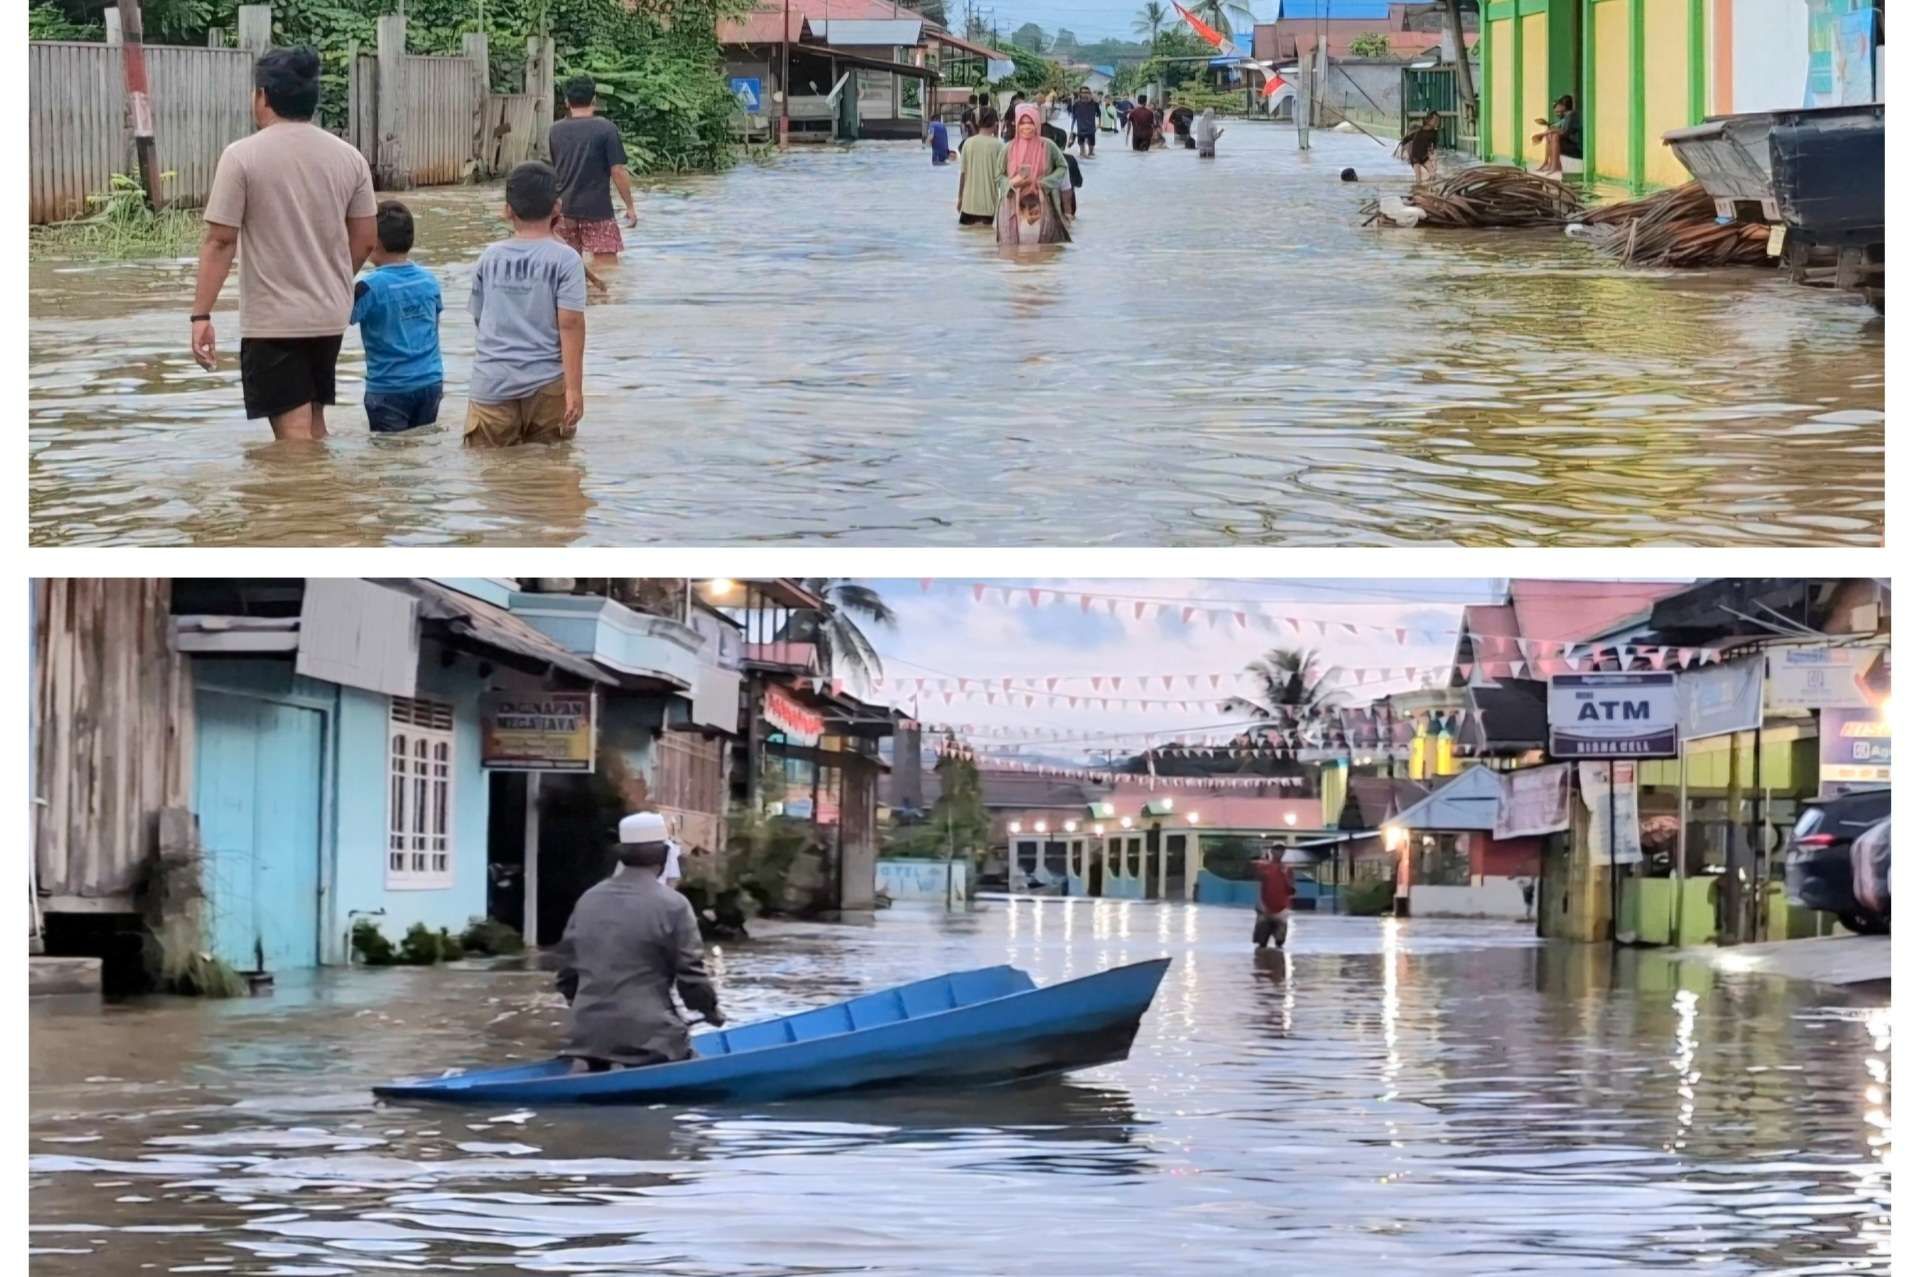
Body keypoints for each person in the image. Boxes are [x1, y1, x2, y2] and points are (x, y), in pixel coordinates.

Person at [192, 47, 377, 442]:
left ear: (263, 96)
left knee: (292, 438)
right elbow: (364, 240)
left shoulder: (241, 156)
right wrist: (330, 279)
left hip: (274, 320)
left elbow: (221, 241)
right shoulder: (350, 157)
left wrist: (200, 316)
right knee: (314, 421)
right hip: (329, 314)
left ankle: (302, 503)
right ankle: (330, 501)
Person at [550, 812, 723, 1072]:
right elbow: (691, 976)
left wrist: (593, 1012)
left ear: (621, 854)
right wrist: (710, 1011)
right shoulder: (674, 905)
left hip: (585, 1036)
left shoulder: (588, 900)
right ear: (665, 856)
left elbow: (566, 975)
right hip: (650, 1037)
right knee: (695, 1067)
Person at [465, 162, 588, 447]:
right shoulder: (566, 259)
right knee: (551, 471)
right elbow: (571, 325)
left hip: (492, 381)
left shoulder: (489, 256)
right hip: (547, 384)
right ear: (557, 207)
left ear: (508, 210)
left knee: (491, 475)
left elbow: (480, 319)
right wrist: (574, 389)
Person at [350, 201, 443, 433]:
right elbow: (434, 326)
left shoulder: (368, 287)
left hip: (388, 388)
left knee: (388, 459)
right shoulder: (429, 280)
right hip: (430, 382)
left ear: (375, 241)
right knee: (421, 448)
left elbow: (338, 317)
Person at [548, 75, 638, 269]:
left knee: (565, 268)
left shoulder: (555, 130)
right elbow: (618, 171)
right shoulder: (606, 129)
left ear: (566, 101)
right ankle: (599, 299)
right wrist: (630, 206)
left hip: (563, 210)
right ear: (594, 100)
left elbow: (555, 170)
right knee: (607, 270)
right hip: (598, 211)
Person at [995, 104, 1071, 245]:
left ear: (1036, 123)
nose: (1026, 127)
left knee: (1043, 251)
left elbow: (1062, 166)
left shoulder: (1047, 146)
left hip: (1042, 204)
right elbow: (998, 175)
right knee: (1010, 253)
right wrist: (1012, 184)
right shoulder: (1008, 148)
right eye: (1022, 123)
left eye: (1030, 122)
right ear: (1016, 124)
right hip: (1012, 206)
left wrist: (1043, 183)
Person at [956, 107, 1002, 226]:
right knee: (987, 240)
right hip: (989, 208)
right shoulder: (999, 145)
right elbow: (1003, 178)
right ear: (995, 123)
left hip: (968, 207)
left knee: (966, 240)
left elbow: (963, 174)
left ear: (977, 122)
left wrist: (960, 198)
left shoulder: (968, 143)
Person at [1251, 847, 1295, 949]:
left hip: (1281, 908)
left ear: (1284, 852)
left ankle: (1276, 960)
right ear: (1272, 852)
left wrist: (1284, 875)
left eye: (1281, 850)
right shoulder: (1263, 866)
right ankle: (1261, 962)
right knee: (1262, 942)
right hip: (1265, 907)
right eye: (1276, 850)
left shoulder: (1287, 868)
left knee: (1279, 942)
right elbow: (1257, 875)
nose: (1279, 852)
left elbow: (1291, 889)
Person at [1534, 95, 1581, 177]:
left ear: (1563, 106)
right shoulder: (1566, 116)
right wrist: (1548, 130)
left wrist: (1543, 134)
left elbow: (1564, 132)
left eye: (1559, 105)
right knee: (1550, 135)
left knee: (1554, 136)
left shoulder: (1571, 115)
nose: (1557, 108)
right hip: (1569, 145)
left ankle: (1555, 166)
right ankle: (1550, 164)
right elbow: (1557, 127)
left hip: (1576, 149)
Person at [1399, 110, 1442, 185]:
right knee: (1418, 178)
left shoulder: (1434, 133)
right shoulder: (1418, 130)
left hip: (1424, 156)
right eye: (1434, 120)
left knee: (1433, 174)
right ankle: (1417, 191)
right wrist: (1402, 153)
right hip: (1415, 157)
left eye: (1437, 121)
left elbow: (1434, 148)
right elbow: (1405, 141)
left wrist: (1435, 163)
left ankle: (1430, 189)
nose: (1436, 122)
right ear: (1428, 119)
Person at [1069, 86, 1101, 157]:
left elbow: (1099, 114)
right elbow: (1073, 117)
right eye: (1083, 92)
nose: (1085, 94)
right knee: (1082, 154)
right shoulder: (1076, 104)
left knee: (1091, 153)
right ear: (1080, 94)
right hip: (1080, 129)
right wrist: (1072, 130)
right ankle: (1083, 153)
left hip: (1091, 129)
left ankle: (1090, 152)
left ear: (1090, 94)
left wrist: (1099, 124)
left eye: (1087, 92)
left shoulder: (1095, 104)